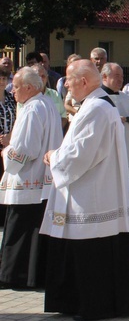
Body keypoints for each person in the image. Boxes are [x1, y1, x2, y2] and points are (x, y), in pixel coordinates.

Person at [41, 59, 129, 321]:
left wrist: (54, 157)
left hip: (92, 192)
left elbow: (81, 154)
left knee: (91, 251)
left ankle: (94, 304)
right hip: (94, 188)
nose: (65, 84)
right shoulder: (94, 105)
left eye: (69, 78)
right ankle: (78, 301)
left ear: (84, 81)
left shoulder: (96, 108)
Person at [0, 67, 63, 289]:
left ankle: (13, 275)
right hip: (40, 181)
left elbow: (26, 148)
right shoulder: (45, 103)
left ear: (28, 87)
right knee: (34, 231)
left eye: (16, 87)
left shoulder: (32, 109)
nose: (13, 91)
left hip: (27, 179)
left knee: (20, 230)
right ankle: (32, 275)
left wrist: (6, 152)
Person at [101, 63, 129, 232]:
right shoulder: (98, 99)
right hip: (110, 150)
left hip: (126, 145)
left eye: (121, 76)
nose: (120, 80)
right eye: (116, 76)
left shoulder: (126, 97)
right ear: (104, 77)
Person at [0, 64, 17, 225]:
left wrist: (10, 137)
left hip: (9, 146)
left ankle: (4, 215)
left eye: (4, 78)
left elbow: (18, 120)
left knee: (6, 180)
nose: (2, 81)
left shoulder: (11, 98)